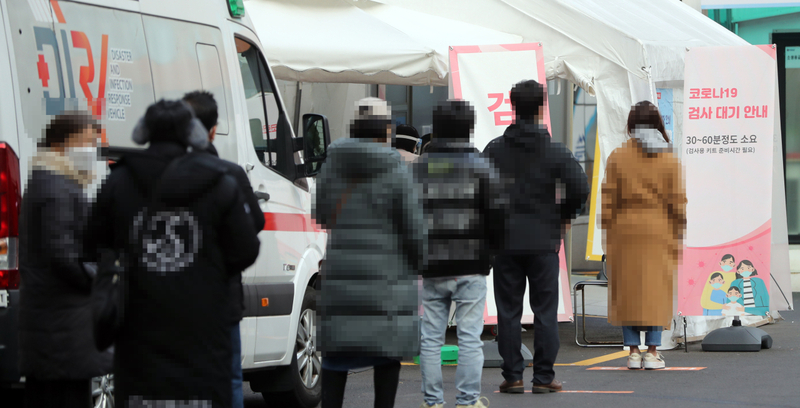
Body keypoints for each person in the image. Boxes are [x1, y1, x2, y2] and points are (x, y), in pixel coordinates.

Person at [85, 99, 261, 407]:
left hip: (138, 339)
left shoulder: (119, 181)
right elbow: (246, 249)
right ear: (193, 134)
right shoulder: (219, 182)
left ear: (144, 133)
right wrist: (208, 269)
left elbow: (91, 245)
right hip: (204, 337)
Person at [313, 97, 425, 408]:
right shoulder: (395, 168)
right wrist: (421, 261)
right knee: (385, 358)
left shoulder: (331, 163)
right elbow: (413, 226)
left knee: (335, 359)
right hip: (386, 283)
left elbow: (322, 214)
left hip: (340, 278)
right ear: (385, 131)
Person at [483, 80, 589, 393]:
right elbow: (580, 187)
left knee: (509, 310)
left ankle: (512, 375)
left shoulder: (494, 149)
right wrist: (565, 215)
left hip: (505, 239)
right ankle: (544, 377)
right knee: (544, 309)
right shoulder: (555, 150)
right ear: (542, 107)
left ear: (512, 106)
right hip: (544, 238)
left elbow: (479, 190)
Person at [413, 100, 505, 408]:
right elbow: (498, 216)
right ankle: (467, 401)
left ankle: (433, 402)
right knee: (469, 337)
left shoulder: (420, 168)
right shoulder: (481, 166)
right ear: (469, 128)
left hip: (432, 263)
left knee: (431, 338)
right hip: (472, 263)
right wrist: (489, 256)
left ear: (435, 130)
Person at [18, 111, 113, 408]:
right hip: (62, 321)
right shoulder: (56, 187)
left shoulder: (53, 181)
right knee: (64, 396)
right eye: (87, 142)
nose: (91, 150)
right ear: (61, 144)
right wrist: (98, 277)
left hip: (56, 319)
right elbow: (62, 254)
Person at [183, 90, 265, 408]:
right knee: (229, 378)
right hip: (221, 297)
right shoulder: (231, 173)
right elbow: (254, 224)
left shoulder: (162, 175)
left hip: (173, 297)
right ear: (214, 129)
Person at [601, 100, 687, 370]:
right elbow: (678, 202)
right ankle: (652, 351)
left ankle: (633, 352)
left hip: (624, 231)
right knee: (655, 290)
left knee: (627, 291)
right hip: (659, 231)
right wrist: (678, 232)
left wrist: (608, 233)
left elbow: (608, 201)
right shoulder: (668, 157)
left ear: (631, 125)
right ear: (657, 124)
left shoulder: (617, 156)